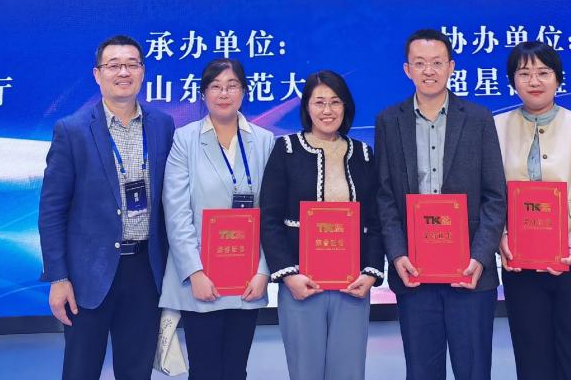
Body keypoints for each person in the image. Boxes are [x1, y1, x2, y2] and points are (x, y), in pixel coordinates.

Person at [38, 34, 175, 380]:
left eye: (131, 64)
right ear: (97, 74)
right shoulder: (72, 130)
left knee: (136, 370)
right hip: (88, 275)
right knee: (81, 370)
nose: (123, 72)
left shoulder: (162, 125)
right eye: (114, 65)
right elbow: (52, 211)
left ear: (142, 72)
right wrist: (58, 278)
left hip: (146, 270)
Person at [375, 29, 506, 380]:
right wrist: (397, 255)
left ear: (451, 67)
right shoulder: (389, 121)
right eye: (420, 63)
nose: (429, 71)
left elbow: (495, 196)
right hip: (414, 272)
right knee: (421, 371)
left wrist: (480, 256)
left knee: (473, 370)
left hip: (469, 272)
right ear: (407, 70)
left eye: (436, 63)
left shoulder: (478, 118)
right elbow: (385, 197)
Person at [493, 41, 571, 379]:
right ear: (512, 81)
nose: (534, 81)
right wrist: (502, 236)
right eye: (524, 73)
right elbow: (489, 193)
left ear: (558, 78)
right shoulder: (495, 127)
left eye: (543, 72)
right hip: (521, 265)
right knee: (533, 361)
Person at [260, 70, 384, 380]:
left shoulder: (363, 154)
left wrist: (370, 273)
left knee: (348, 371)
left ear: (346, 107)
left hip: (352, 285)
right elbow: (270, 219)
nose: (327, 110)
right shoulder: (286, 150)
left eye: (335, 102)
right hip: (302, 284)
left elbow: (375, 220)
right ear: (307, 107)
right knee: (306, 370)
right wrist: (289, 275)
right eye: (319, 102)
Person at [159, 59, 275, 380]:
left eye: (232, 86)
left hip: (247, 279)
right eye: (215, 87)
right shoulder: (185, 139)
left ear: (244, 92)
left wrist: (263, 271)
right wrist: (194, 271)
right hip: (201, 279)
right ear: (203, 94)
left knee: (236, 370)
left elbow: (272, 213)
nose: (224, 94)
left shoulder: (265, 140)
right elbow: (176, 211)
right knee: (205, 370)